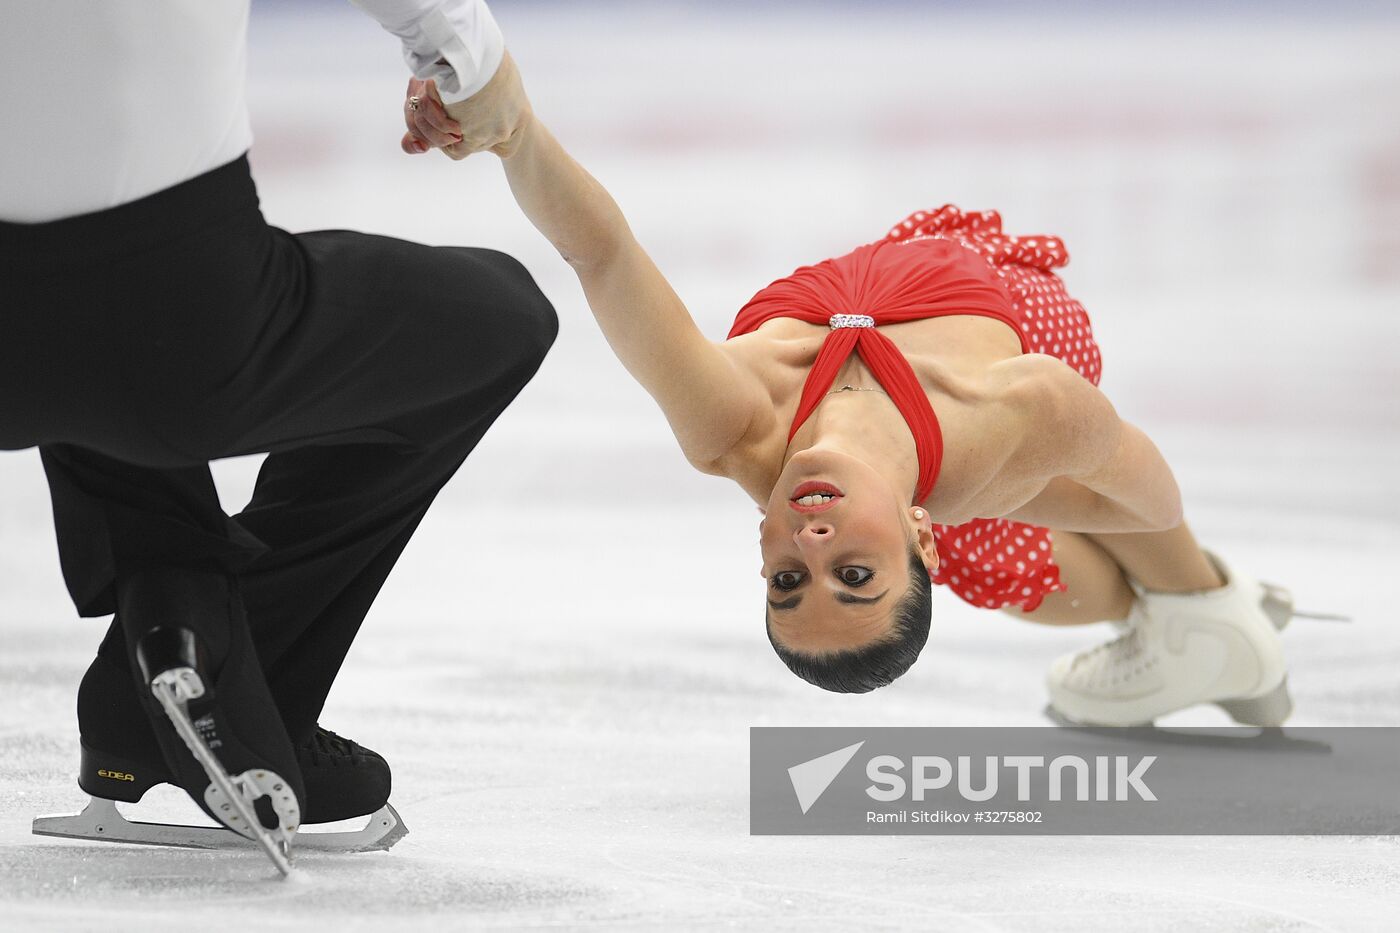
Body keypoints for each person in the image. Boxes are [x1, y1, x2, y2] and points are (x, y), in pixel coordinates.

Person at [398, 51, 1296, 725]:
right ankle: (1204, 619)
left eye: (790, 577)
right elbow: (1142, 490)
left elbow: (602, 256)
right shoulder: (1013, 416)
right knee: (1051, 522)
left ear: (763, 547)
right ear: (919, 538)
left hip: (907, 340)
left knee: (1026, 532)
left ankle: (1204, 629)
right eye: (853, 574)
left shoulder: (732, 428)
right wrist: (1194, 582)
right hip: (1013, 318)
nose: (816, 542)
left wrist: (511, 127)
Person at [2, 0, 555, 872]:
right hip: (183, 325)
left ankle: (168, 612)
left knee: (75, 325)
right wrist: (474, 61)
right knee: (502, 319)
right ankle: (233, 669)